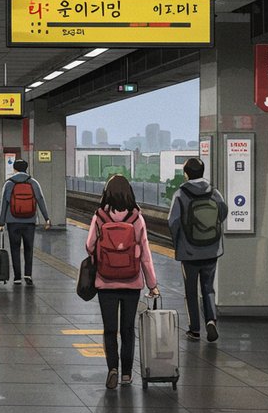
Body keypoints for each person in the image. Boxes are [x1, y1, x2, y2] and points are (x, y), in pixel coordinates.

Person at [85, 174, 159, 389]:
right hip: (131, 282)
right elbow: (145, 255)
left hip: (105, 282)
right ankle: (127, 374)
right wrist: (152, 284)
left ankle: (113, 369)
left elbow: (89, 246)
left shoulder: (99, 217)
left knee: (110, 329)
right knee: (127, 329)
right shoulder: (137, 219)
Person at [168, 157, 227, 342]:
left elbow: (173, 222)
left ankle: (194, 329)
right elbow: (223, 212)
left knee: (191, 291)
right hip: (211, 249)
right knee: (208, 288)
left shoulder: (180, 194)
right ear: (202, 172)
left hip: (189, 251)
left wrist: (178, 242)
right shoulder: (214, 192)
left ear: (186, 174)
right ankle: (211, 320)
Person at [0, 160, 51, 284]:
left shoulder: (9, 183)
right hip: (29, 221)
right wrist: (46, 218)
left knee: (15, 248)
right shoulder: (33, 182)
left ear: (14, 169)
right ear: (26, 169)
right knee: (29, 248)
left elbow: (4, 203)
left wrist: (1, 223)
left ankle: (17, 277)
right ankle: (28, 275)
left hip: (13, 222)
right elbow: (40, 199)